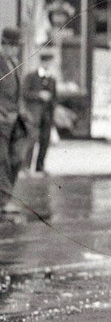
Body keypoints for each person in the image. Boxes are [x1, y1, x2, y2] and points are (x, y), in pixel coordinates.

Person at [1, 28, 27, 216]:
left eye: (17, 47)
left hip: (15, 120)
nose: (15, 50)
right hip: (1, 119)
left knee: (16, 158)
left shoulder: (14, 63)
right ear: (4, 45)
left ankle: (4, 198)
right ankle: (3, 202)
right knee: (2, 160)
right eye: (12, 46)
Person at [23, 50, 58, 174]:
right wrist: (39, 95)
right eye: (46, 62)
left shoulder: (52, 79)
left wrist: (53, 116)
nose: (48, 64)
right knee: (31, 140)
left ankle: (40, 166)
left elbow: (54, 98)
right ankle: (26, 167)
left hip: (47, 115)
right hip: (34, 114)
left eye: (50, 62)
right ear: (41, 62)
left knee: (45, 141)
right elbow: (25, 93)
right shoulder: (31, 76)